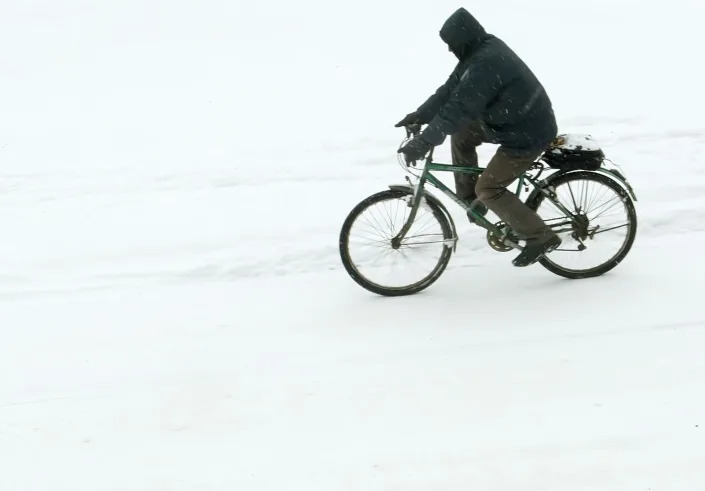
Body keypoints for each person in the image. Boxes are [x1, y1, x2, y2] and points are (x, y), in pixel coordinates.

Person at [396, 7, 561, 267]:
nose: (451, 50)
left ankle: (541, 237)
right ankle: (472, 200)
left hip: (527, 133)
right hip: (509, 121)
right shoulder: (478, 53)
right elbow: (449, 90)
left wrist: (425, 141)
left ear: (463, 40)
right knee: (462, 134)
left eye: (452, 45)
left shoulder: (486, 62)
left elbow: (458, 108)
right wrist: (419, 115)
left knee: (490, 187)